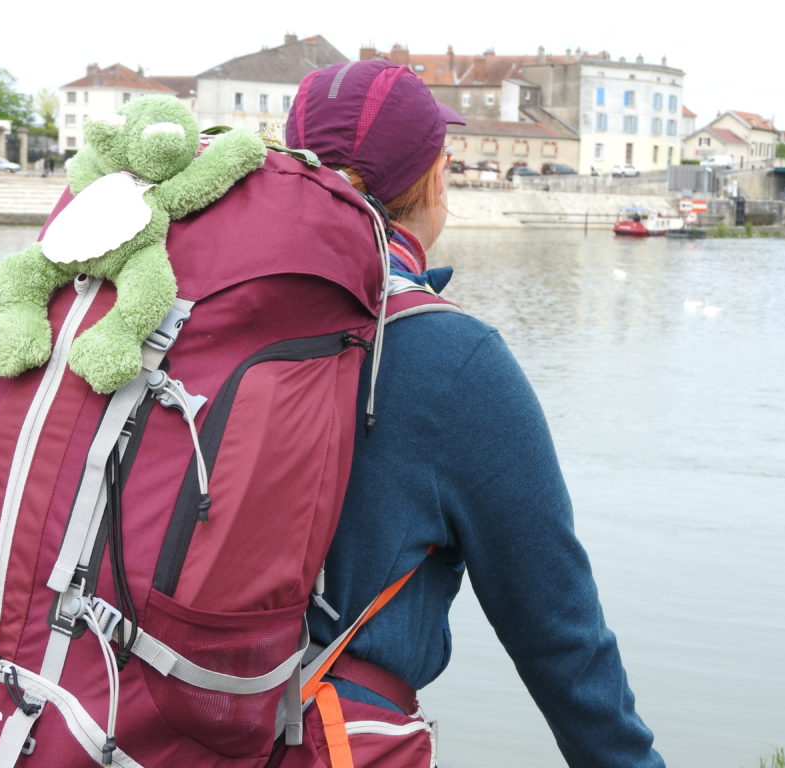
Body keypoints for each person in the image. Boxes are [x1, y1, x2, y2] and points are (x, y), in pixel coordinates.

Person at [283, 60, 665, 768]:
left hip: (138, 719)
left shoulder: (182, 317)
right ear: (435, 181)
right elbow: (559, 633)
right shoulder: (450, 355)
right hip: (318, 738)